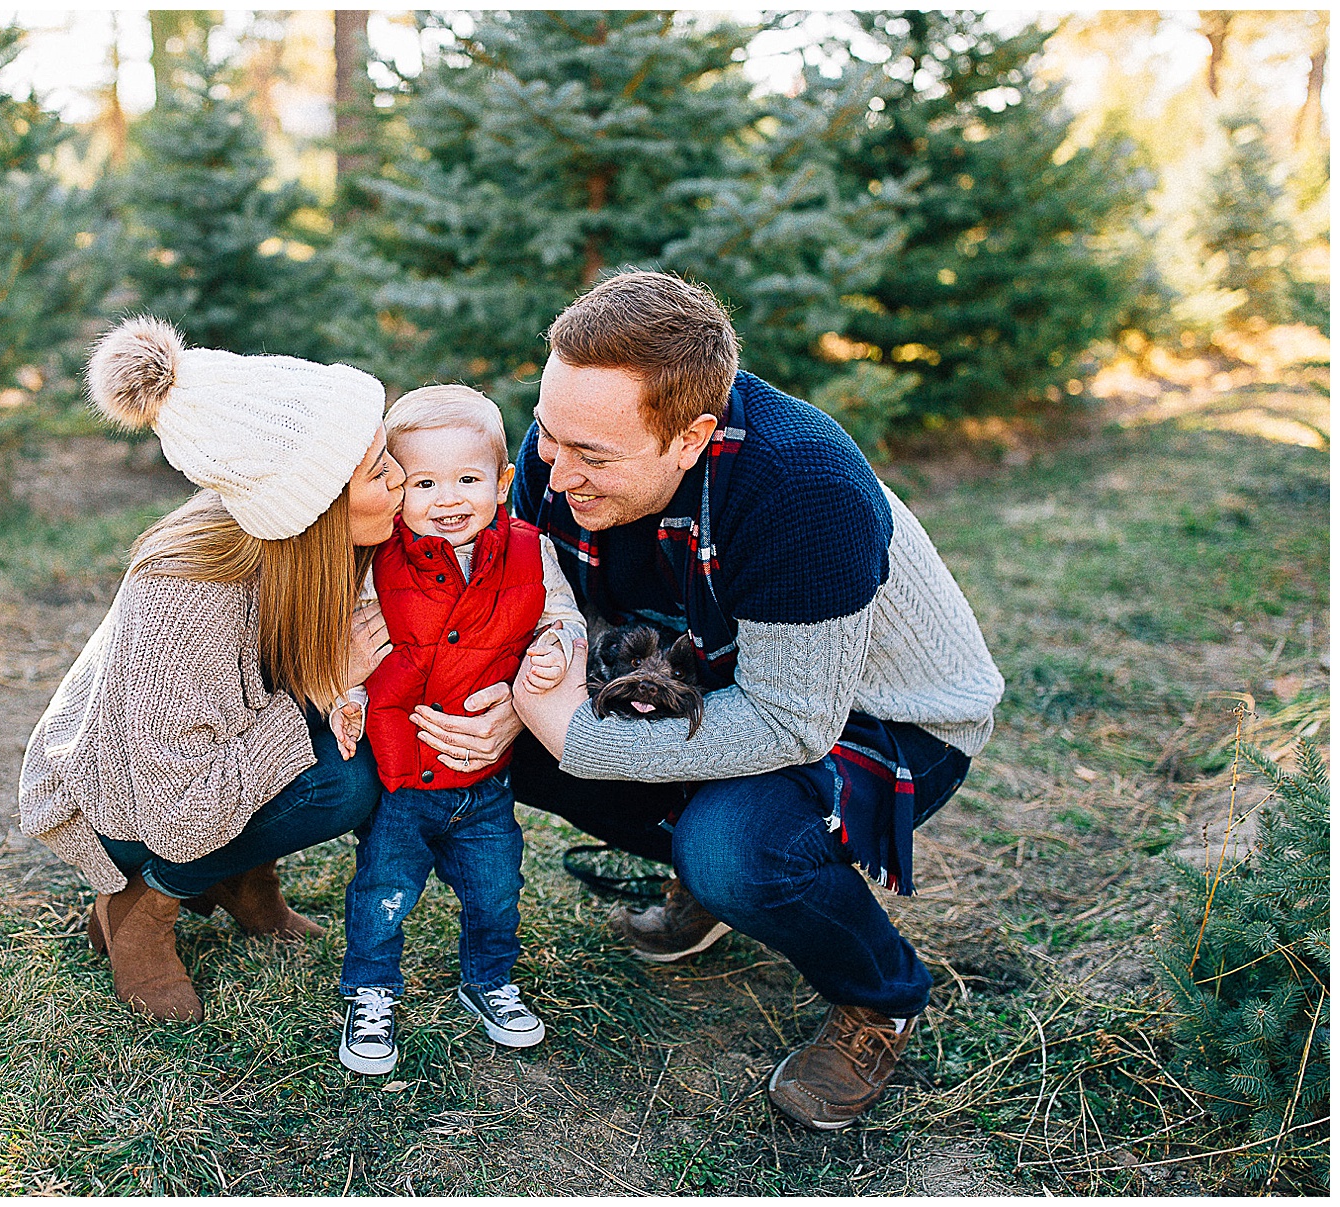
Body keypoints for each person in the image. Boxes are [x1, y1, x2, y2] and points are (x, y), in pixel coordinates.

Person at [409, 271, 1005, 1131]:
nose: (552, 467)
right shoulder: (565, 441)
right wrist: (531, 683)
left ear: (690, 438)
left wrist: (577, 733)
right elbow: (545, 586)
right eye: (550, 434)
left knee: (735, 850)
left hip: (883, 715)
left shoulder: (804, 489)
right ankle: (706, 883)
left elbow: (790, 721)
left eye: (592, 458)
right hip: (711, 668)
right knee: (496, 730)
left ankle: (881, 996)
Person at [18, 315, 406, 1023]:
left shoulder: (313, 548)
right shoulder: (186, 597)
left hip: (205, 770)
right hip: (121, 800)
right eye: (379, 470)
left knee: (365, 748)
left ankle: (242, 878)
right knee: (341, 783)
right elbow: (179, 813)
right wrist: (329, 681)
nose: (401, 480)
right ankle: (143, 906)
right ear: (313, 507)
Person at [324, 386, 586, 1075]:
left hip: (484, 780)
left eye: (468, 479)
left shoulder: (532, 552)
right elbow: (353, 640)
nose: (448, 498)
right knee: (383, 891)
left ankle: (490, 979)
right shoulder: (379, 562)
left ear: (502, 483)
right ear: (395, 488)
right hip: (403, 775)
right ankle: (371, 990)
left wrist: (556, 643)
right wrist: (347, 696)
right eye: (424, 481)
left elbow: (562, 614)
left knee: (496, 888)